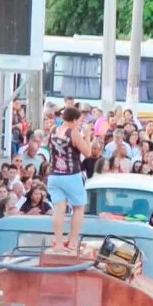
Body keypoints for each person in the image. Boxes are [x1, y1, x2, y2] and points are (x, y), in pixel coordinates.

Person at [48, 106, 91, 251]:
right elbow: (88, 152)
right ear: (73, 120)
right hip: (71, 174)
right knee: (79, 208)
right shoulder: (73, 133)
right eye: (78, 120)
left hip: (54, 174)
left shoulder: (54, 130)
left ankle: (59, 243)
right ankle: (72, 242)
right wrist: (88, 136)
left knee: (59, 209)